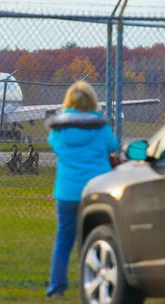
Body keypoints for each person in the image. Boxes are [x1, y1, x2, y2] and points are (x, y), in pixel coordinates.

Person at [45, 81, 118, 300]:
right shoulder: (99, 126)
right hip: (96, 191)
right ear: (92, 102)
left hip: (67, 192)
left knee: (64, 240)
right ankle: (96, 281)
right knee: (97, 238)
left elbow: (54, 145)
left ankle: (57, 287)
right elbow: (113, 145)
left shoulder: (58, 130)